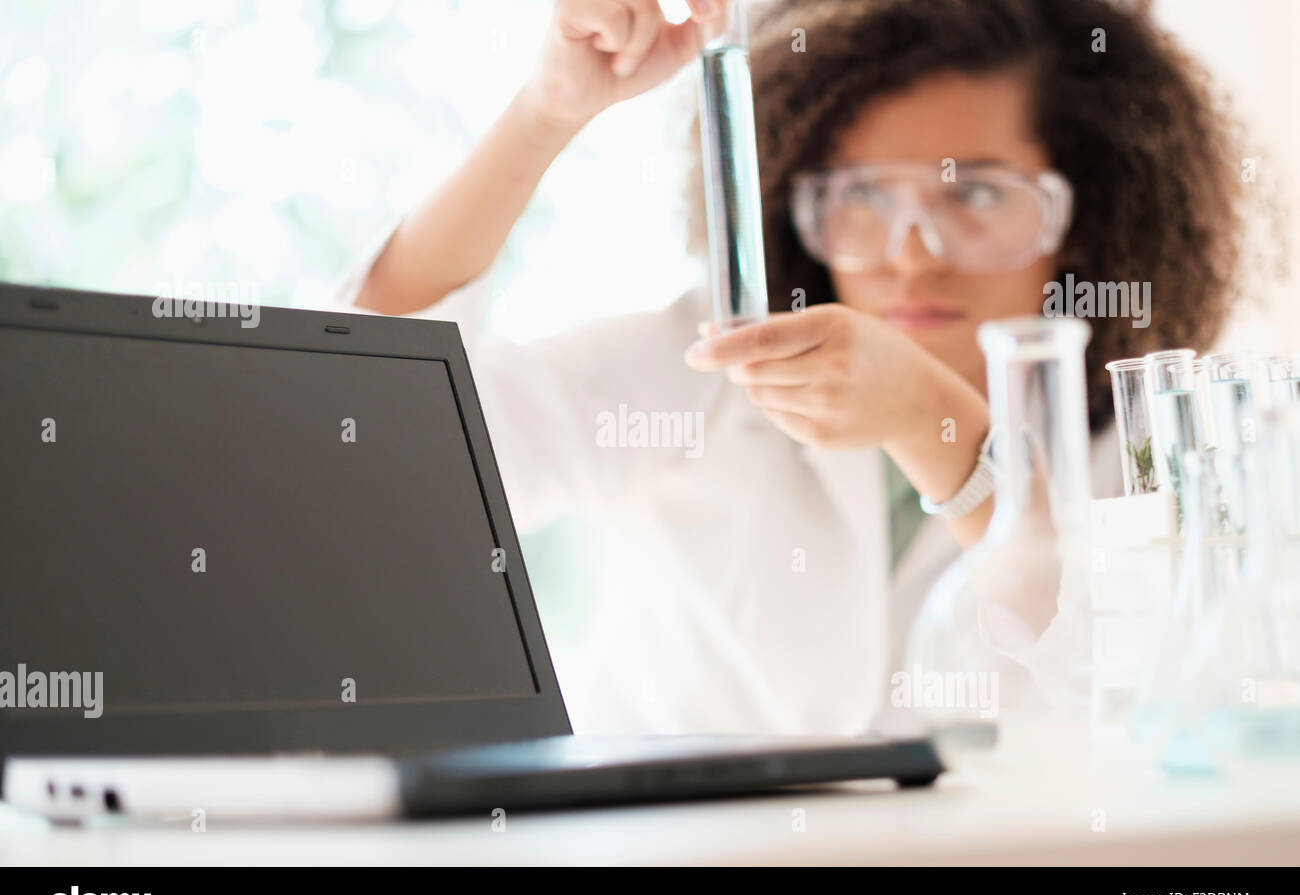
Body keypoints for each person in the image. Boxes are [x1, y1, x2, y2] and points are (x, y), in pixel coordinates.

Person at [340, 0, 1243, 735]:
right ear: (795, 203)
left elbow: (1133, 701)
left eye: (973, 194)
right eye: (861, 198)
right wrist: (545, 111)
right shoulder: (703, 361)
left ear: (1083, 215)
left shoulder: (1153, 437)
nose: (911, 255)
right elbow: (379, 435)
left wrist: (934, 424)